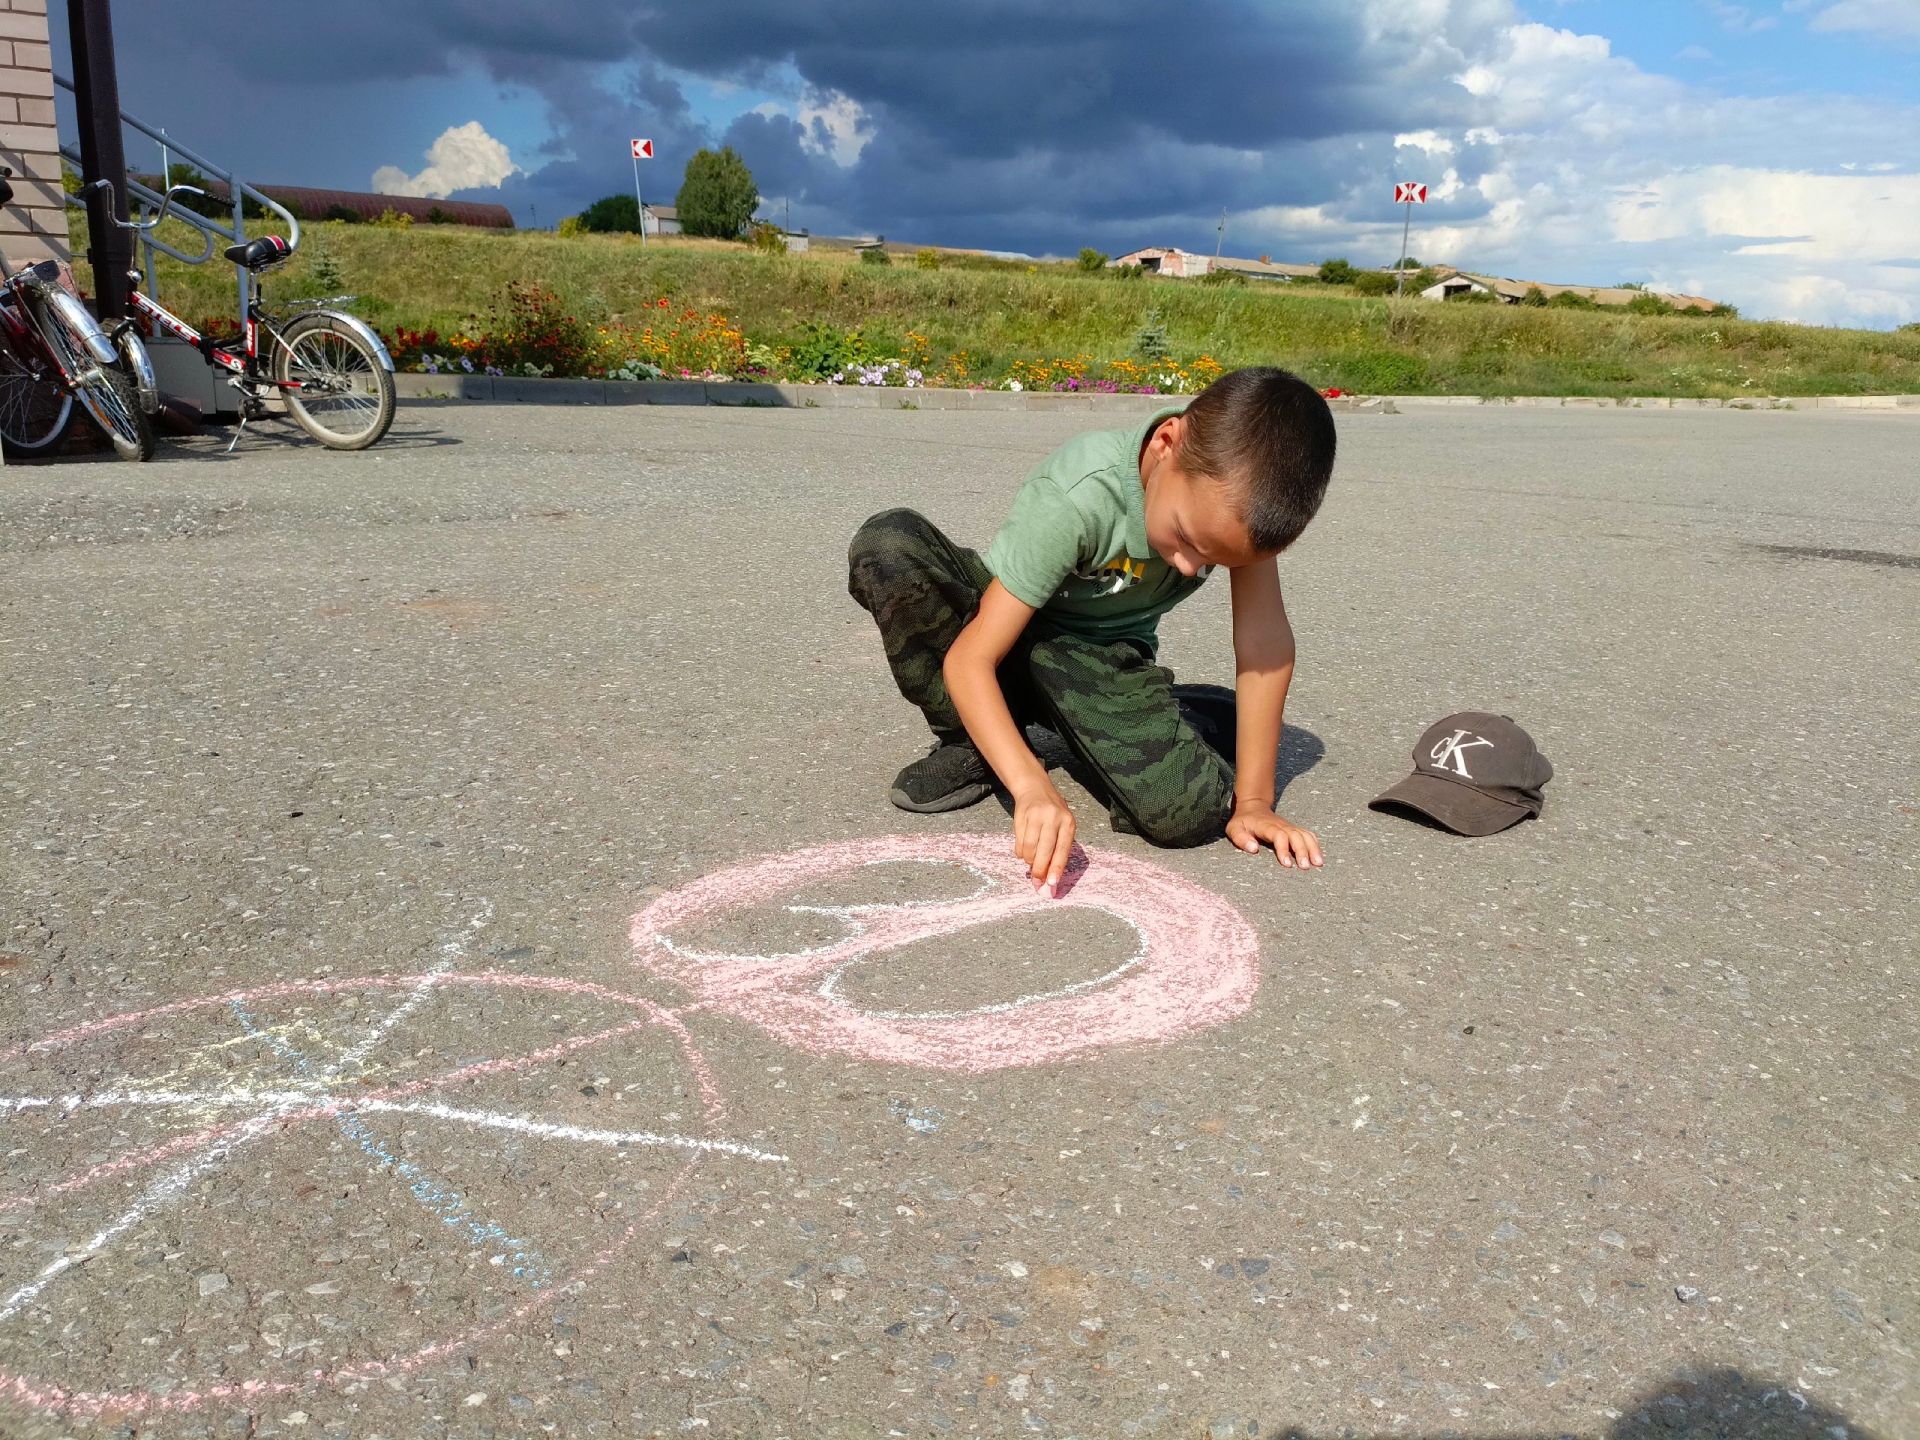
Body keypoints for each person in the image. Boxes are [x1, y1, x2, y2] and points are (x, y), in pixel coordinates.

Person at [847, 366, 1335, 894]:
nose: (1191, 568)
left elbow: (1264, 646)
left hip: (1097, 659)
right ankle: (973, 741)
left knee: (1190, 813)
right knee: (889, 546)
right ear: (1168, 443)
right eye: (1188, 540)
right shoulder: (1079, 495)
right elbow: (970, 658)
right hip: (1005, 630)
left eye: (1214, 558)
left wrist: (1256, 802)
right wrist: (1031, 787)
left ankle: (1166, 713)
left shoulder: (1232, 512)